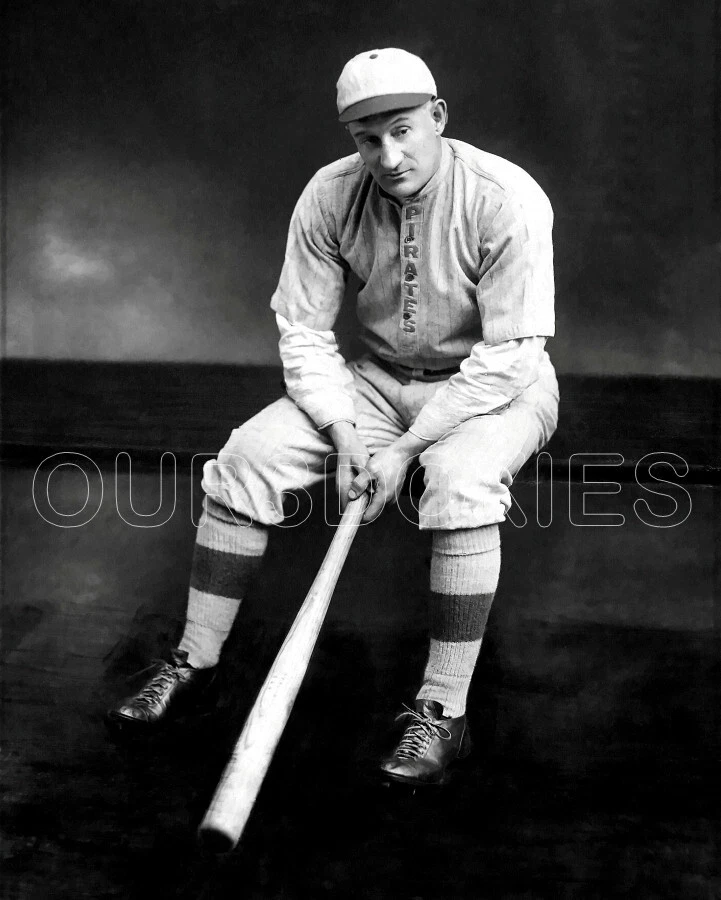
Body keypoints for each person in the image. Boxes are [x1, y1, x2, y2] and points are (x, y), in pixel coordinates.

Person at [107, 47, 559, 787]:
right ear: (350, 137)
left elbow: (510, 354)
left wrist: (406, 450)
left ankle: (442, 712)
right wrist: (348, 435)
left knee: (460, 477)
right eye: (367, 137)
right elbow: (305, 332)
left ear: (437, 118)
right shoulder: (328, 194)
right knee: (249, 455)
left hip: (498, 388)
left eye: (404, 130)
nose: (388, 154)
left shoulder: (504, 195)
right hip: (375, 384)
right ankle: (194, 664)